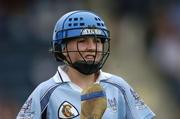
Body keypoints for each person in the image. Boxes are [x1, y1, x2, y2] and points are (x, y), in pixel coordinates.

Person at [16, 10, 155, 119]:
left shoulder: (119, 87)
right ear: (62, 48)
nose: (92, 47)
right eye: (82, 41)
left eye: (98, 41)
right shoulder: (45, 92)